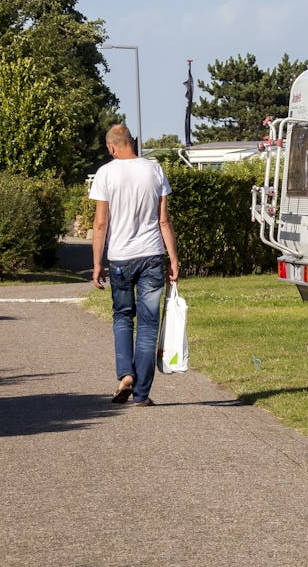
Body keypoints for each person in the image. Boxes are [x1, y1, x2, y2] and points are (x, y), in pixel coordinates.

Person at [90, 124, 180, 406]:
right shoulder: (154, 169)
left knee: (122, 317)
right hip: (152, 255)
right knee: (148, 325)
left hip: (120, 258)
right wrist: (173, 259)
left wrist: (96, 263)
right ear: (132, 142)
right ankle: (141, 394)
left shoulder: (106, 173)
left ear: (111, 147)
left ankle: (125, 374)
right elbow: (163, 220)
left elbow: (101, 223)